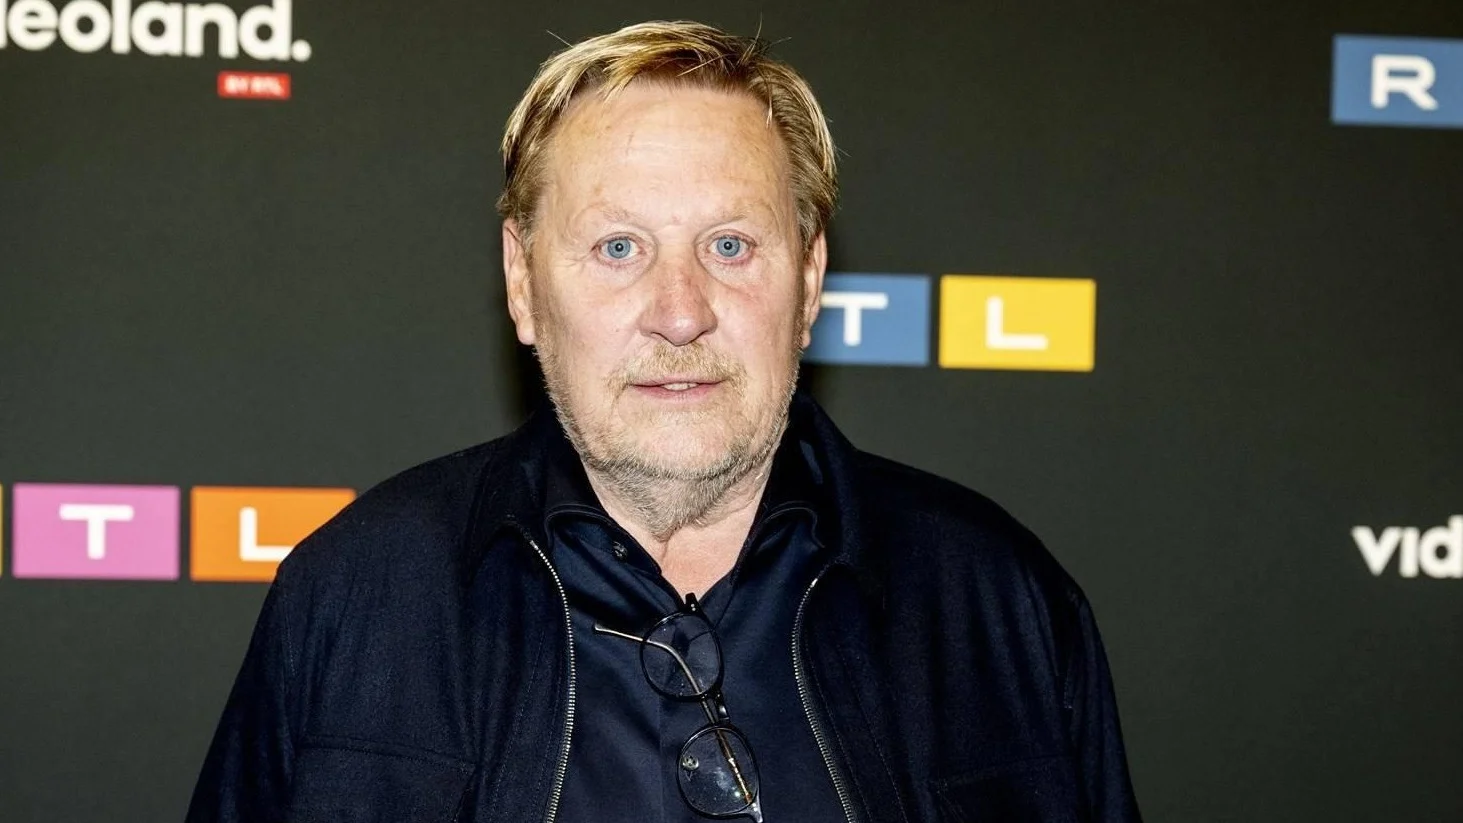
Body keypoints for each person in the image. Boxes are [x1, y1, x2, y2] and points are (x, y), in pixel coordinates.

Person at [187, 20, 1141, 823]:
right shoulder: (358, 593)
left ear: (809, 280)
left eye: (729, 245)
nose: (680, 312)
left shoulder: (997, 602)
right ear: (522, 282)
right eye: (618, 247)